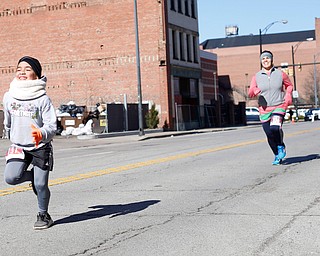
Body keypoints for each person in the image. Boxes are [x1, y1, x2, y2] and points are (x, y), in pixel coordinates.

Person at [2, 56, 57, 229]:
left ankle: (43, 214)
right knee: (11, 178)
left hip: (40, 146)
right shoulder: (9, 96)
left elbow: (52, 126)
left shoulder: (42, 99)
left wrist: (41, 133)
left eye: (27, 69)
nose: (22, 72)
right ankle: (32, 177)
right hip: (19, 146)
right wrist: (10, 133)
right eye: (19, 69)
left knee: (41, 185)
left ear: (36, 74)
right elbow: (7, 120)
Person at [248, 50, 293, 165]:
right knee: (269, 134)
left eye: (267, 58)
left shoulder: (280, 74)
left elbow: (289, 85)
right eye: (263, 59)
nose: (265, 60)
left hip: (279, 105)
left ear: (272, 60)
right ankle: (277, 155)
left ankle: (280, 146)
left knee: (274, 127)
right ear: (261, 61)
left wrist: (288, 94)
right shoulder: (256, 76)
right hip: (264, 109)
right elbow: (250, 93)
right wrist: (254, 90)